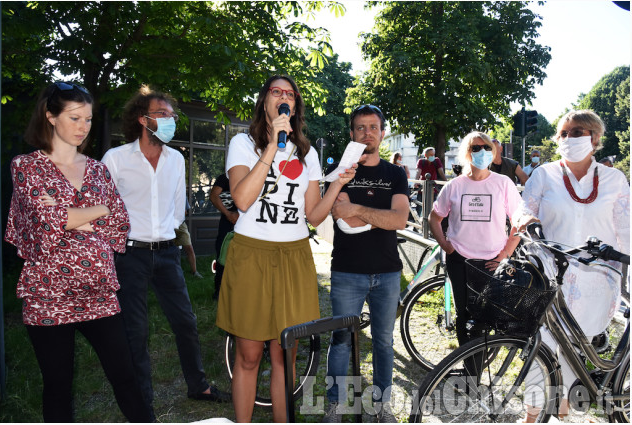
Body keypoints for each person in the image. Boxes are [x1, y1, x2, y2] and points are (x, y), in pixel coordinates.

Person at [5, 82, 153, 422]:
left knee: (126, 378)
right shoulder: (27, 167)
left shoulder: (98, 169)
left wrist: (72, 216)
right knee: (58, 385)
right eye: (75, 118)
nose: (83, 127)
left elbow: (119, 224)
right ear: (50, 116)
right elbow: (46, 223)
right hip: (48, 293)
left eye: (88, 119)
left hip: (99, 292)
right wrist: (97, 210)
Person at [216, 75, 357, 423]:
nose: (284, 98)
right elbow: (243, 200)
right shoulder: (242, 144)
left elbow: (312, 216)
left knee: (286, 355)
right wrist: (271, 148)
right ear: (264, 100)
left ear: (295, 106)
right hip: (251, 254)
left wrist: (337, 183)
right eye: (277, 92)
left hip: (294, 256)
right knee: (248, 355)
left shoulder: (306, 154)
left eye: (290, 95)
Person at [102, 86, 228, 412]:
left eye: (172, 115)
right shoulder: (115, 160)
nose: (171, 120)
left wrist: (168, 237)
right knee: (136, 331)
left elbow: (176, 210)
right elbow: (101, 208)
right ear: (143, 119)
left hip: (168, 253)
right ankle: (142, 402)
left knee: (185, 321)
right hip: (129, 255)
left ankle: (198, 386)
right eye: (163, 114)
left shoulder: (177, 159)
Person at [514, 110, 630, 422]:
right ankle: (533, 415)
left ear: (594, 138)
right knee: (545, 347)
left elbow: (627, 230)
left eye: (576, 132)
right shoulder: (545, 174)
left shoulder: (613, 180)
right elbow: (524, 207)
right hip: (552, 278)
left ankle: (562, 409)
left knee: (575, 349)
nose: (568, 138)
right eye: (563, 133)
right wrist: (525, 218)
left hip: (598, 281)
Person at [323, 104, 409, 423]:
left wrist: (359, 210)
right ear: (352, 133)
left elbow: (400, 218)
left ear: (382, 134)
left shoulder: (395, 173)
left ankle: (381, 405)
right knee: (341, 340)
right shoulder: (340, 173)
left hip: (387, 272)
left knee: (384, 342)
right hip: (347, 270)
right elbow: (343, 220)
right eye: (361, 127)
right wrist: (380, 217)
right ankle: (335, 404)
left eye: (373, 127)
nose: (367, 133)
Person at [429, 131, 521, 350]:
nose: (482, 152)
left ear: (494, 151)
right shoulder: (454, 186)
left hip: (492, 261)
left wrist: (504, 254)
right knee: (464, 316)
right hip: (460, 259)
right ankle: (470, 369)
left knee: (486, 318)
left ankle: (478, 367)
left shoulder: (503, 183)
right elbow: (434, 218)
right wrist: (446, 246)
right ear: (467, 153)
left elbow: (519, 221)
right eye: (475, 148)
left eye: (486, 147)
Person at [208, 173, 238, 300]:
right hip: (228, 223)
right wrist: (228, 214)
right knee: (223, 256)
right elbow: (214, 196)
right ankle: (219, 291)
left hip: (249, 225)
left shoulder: (254, 174)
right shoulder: (226, 176)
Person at [174, 199, 203, 278]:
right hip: (167, 225)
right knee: (170, 250)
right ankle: (174, 271)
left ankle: (194, 272)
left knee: (189, 248)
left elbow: (185, 212)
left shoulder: (181, 194)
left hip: (181, 225)